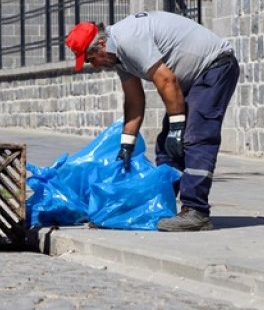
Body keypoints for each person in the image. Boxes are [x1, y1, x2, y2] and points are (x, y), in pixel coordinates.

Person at [65, 13, 242, 232]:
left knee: (195, 138)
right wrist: (126, 144)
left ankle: (196, 211)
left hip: (214, 67)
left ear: (101, 44)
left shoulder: (128, 39)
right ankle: (161, 203)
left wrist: (177, 129)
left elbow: (165, 79)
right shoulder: (118, 58)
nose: (94, 65)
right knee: (166, 147)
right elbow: (134, 100)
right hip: (190, 79)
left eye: (91, 58)